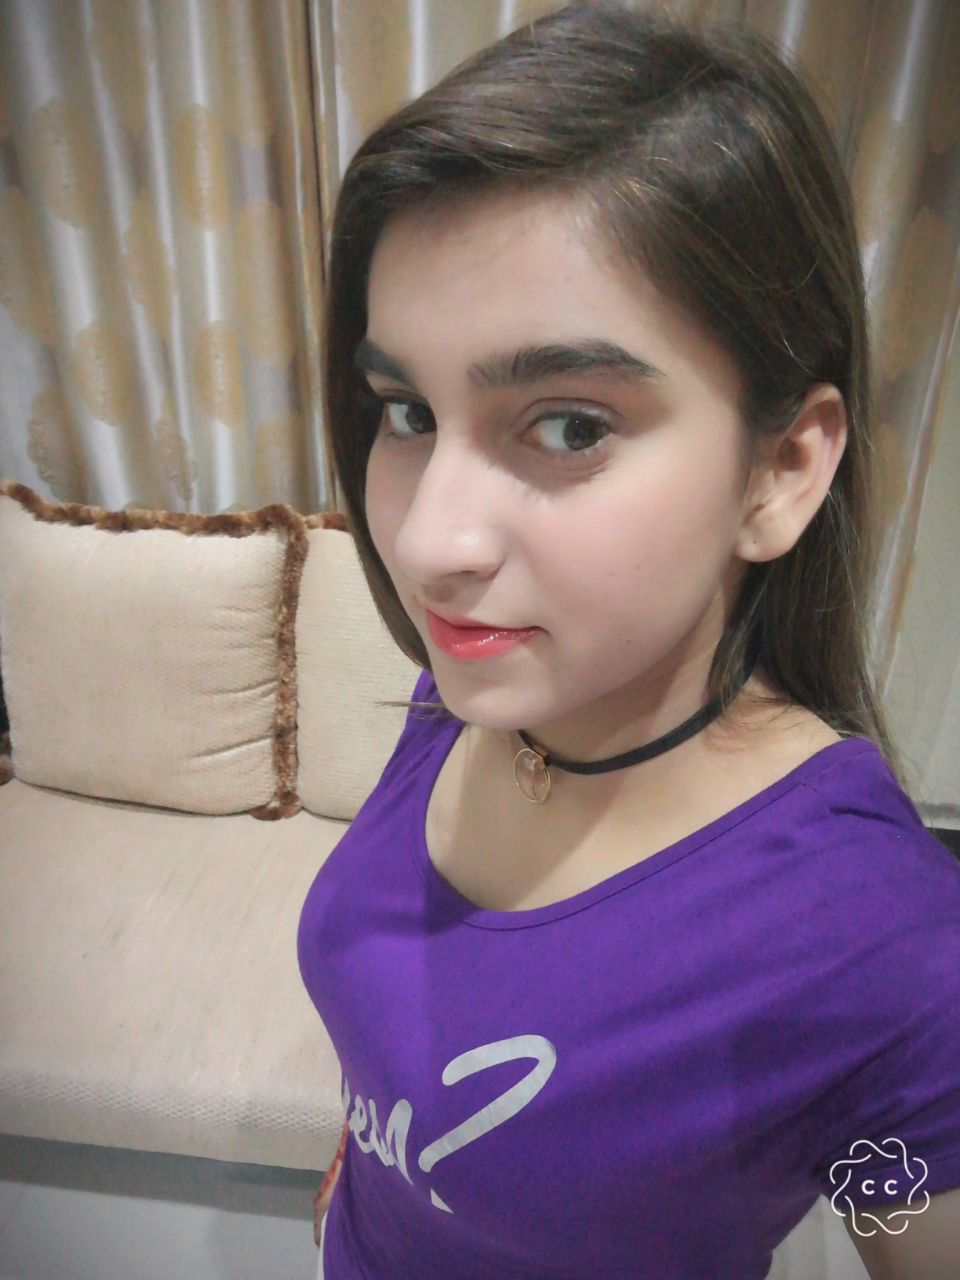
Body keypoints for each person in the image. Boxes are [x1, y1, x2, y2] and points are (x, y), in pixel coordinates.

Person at [297, 2, 960, 1276]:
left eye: (568, 426)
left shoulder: (879, 945)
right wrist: (363, 1173)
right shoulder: (474, 691)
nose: (429, 542)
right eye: (406, 410)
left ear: (781, 467)